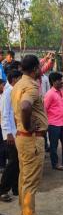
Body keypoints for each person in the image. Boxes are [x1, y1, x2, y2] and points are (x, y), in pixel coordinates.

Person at [11, 55, 49, 215]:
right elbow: (25, 107)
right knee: (30, 182)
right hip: (31, 138)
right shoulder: (31, 86)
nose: (41, 70)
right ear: (34, 69)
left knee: (23, 179)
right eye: (39, 67)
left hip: (22, 138)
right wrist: (28, 126)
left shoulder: (17, 84)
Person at [0, 70, 22, 202]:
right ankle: (3, 190)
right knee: (13, 162)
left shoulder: (15, 91)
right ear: (14, 79)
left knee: (18, 161)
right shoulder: (8, 92)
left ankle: (15, 188)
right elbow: (4, 114)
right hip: (10, 134)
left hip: (17, 132)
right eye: (20, 78)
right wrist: (8, 133)